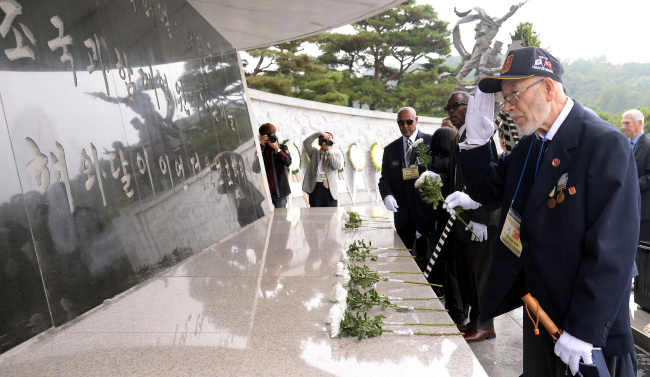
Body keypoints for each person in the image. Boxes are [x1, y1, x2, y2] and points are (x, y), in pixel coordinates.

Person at [450, 46, 639, 376]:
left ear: (548, 88)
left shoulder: (602, 142)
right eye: (504, 99)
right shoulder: (530, 145)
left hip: (584, 325)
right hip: (539, 311)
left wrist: (584, 330)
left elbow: (613, 249)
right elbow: (488, 192)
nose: (507, 107)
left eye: (514, 95)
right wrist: (476, 146)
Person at [445, 91, 500, 342]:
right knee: (469, 274)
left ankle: (485, 324)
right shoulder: (462, 134)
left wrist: (481, 217)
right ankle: (474, 319)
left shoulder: (479, 135)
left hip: (478, 219)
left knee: (481, 275)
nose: (451, 112)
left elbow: (490, 179)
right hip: (463, 218)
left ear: (471, 107)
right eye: (448, 109)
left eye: (456, 106)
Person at [379, 107, 433, 267]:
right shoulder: (390, 149)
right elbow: (385, 179)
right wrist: (387, 195)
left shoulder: (431, 142)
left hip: (425, 214)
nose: (405, 126)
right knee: (403, 261)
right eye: (400, 123)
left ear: (416, 120)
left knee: (426, 261)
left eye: (409, 122)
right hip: (402, 216)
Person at [452, 2, 527, 86]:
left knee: (478, 61)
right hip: (483, 43)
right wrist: (516, 7)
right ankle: (459, 76)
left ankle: (475, 81)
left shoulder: (488, 26)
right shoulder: (495, 24)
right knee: (473, 60)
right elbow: (507, 16)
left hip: (483, 43)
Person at [622, 109, 650, 241]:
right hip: (625, 209)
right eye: (623, 123)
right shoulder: (623, 144)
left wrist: (630, 185)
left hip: (643, 212)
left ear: (639, 123)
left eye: (627, 123)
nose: (623, 127)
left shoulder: (648, 146)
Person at [252, 122, 292, 208]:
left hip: (280, 193)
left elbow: (288, 162)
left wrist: (277, 149)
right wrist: (261, 147)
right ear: (262, 136)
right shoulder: (260, 150)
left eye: (271, 135)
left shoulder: (282, 148)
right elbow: (255, 169)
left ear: (275, 134)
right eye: (266, 136)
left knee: (281, 219)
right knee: (269, 220)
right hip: (266, 193)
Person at [302, 131, 343, 207]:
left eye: (330, 140)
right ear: (321, 142)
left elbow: (337, 166)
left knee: (331, 215)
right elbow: (306, 143)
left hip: (329, 189)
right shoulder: (314, 152)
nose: (329, 142)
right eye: (326, 140)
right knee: (316, 215)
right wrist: (320, 134)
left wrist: (329, 151)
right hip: (316, 188)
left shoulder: (336, 154)